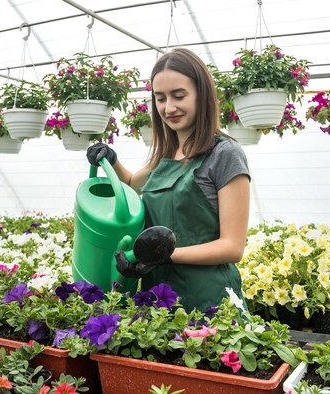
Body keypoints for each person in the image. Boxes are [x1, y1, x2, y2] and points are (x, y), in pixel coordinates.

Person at [87, 48, 250, 313]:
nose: (168, 108)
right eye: (160, 99)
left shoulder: (224, 154)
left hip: (209, 301)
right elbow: (130, 184)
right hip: (158, 301)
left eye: (179, 95)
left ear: (202, 94)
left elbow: (232, 247)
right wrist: (111, 159)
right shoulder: (165, 155)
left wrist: (161, 255)